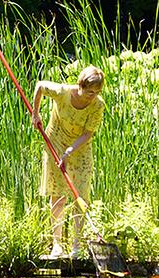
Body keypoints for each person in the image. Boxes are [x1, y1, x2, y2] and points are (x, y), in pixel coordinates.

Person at [31, 66, 105, 257]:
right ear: (80, 85)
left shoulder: (98, 105)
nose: (93, 96)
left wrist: (70, 151)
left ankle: (76, 247)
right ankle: (57, 245)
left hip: (79, 147)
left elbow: (89, 132)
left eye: (97, 92)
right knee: (58, 194)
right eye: (90, 92)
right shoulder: (63, 92)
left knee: (80, 195)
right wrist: (35, 114)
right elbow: (40, 86)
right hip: (55, 141)